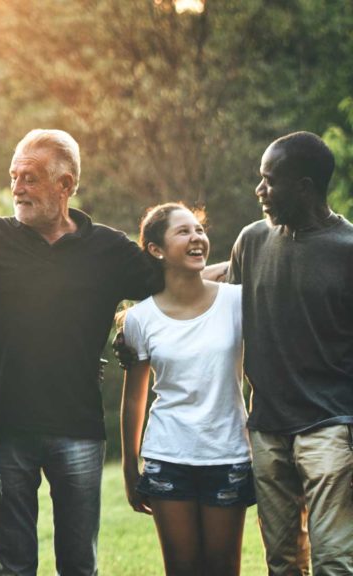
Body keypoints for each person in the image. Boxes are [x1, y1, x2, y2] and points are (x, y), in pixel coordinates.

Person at [0, 129, 156, 576]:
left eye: (29, 177)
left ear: (65, 185)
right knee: (14, 561)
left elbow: (173, 286)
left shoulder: (108, 248)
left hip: (79, 428)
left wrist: (241, 270)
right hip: (6, 425)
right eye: (14, 176)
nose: (17, 188)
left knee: (78, 562)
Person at [227, 132, 353, 575]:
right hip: (267, 428)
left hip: (330, 427)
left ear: (304, 186)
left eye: (269, 180)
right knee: (280, 562)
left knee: (334, 560)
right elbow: (218, 312)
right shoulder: (251, 241)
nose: (259, 190)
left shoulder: (348, 251)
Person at [120, 203, 253, 576]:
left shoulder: (236, 302)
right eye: (183, 232)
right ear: (156, 249)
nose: (197, 238)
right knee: (181, 568)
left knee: (223, 567)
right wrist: (131, 467)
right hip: (168, 456)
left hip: (227, 453)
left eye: (199, 230)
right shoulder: (140, 319)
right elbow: (134, 397)